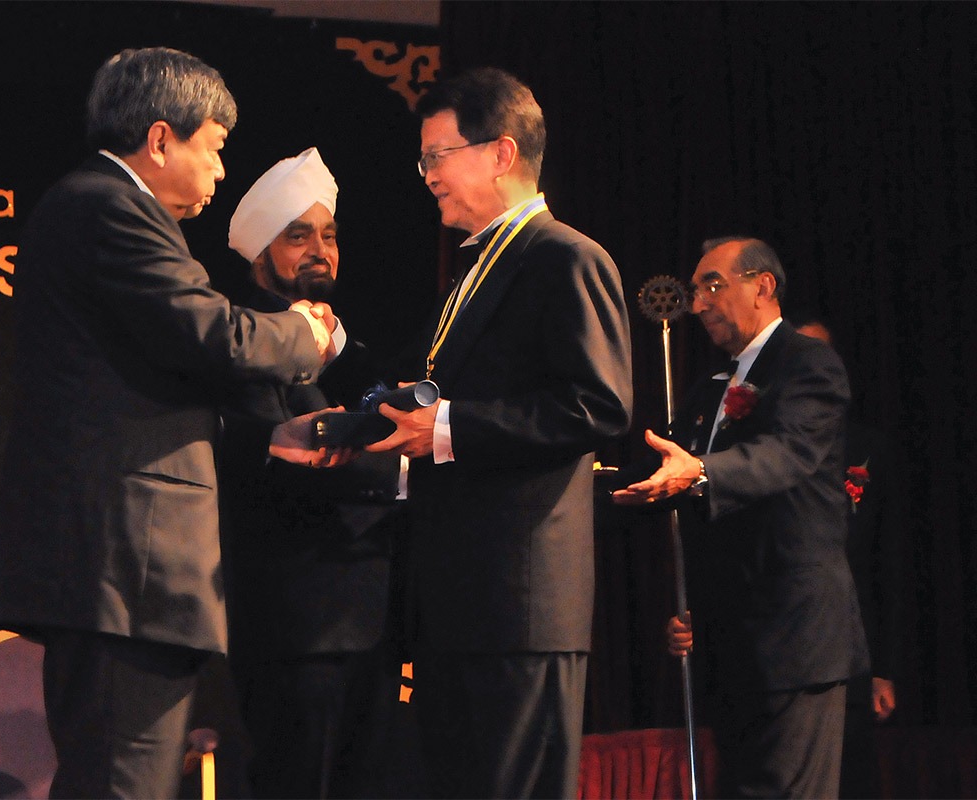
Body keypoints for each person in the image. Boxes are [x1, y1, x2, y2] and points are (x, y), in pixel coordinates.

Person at [0, 48, 343, 799]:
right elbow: (211, 334)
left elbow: (156, 373)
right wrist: (303, 331)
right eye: (213, 150)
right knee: (124, 783)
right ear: (159, 140)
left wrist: (265, 434)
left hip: (121, 571)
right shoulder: (109, 205)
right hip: (125, 568)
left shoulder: (98, 208)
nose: (217, 173)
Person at [367, 67, 633, 798]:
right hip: (461, 598)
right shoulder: (474, 268)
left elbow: (598, 404)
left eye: (437, 155)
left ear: (501, 153)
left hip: (520, 600)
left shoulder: (567, 258)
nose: (427, 176)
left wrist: (448, 425)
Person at [612, 237, 870, 798]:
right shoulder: (714, 387)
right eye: (698, 289)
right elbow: (681, 478)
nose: (698, 303)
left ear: (763, 286)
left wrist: (699, 471)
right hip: (731, 639)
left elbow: (786, 455)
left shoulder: (808, 362)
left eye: (713, 285)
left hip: (794, 638)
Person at [215, 147, 415, 798]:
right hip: (293, 627)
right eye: (298, 235)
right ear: (262, 253)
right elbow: (261, 460)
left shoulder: (349, 352)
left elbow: (386, 419)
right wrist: (398, 474)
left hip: (374, 623)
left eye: (328, 235)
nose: (319, 250)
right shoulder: (244, 342)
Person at [797, 319, 902, 799]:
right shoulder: (760, 444)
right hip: (785, 645)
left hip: (852, 647)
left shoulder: (868, 447)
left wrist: (883, 665)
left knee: (852, 776)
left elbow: (887, 565)